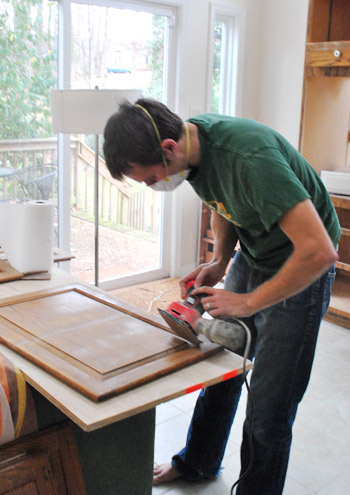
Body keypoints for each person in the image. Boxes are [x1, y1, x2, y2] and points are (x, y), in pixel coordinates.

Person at [103, 98, 340, 495]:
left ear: (168, 148)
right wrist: (219, 261)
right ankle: (198, 461)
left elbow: (320, 251)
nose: (152, 186)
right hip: (256, 252)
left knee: (268, 410)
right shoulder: (193, 150)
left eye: (149, 179)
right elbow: (222, 204)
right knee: (222, 368)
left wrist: (248, 303)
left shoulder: (249, 158)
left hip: (305, 265)